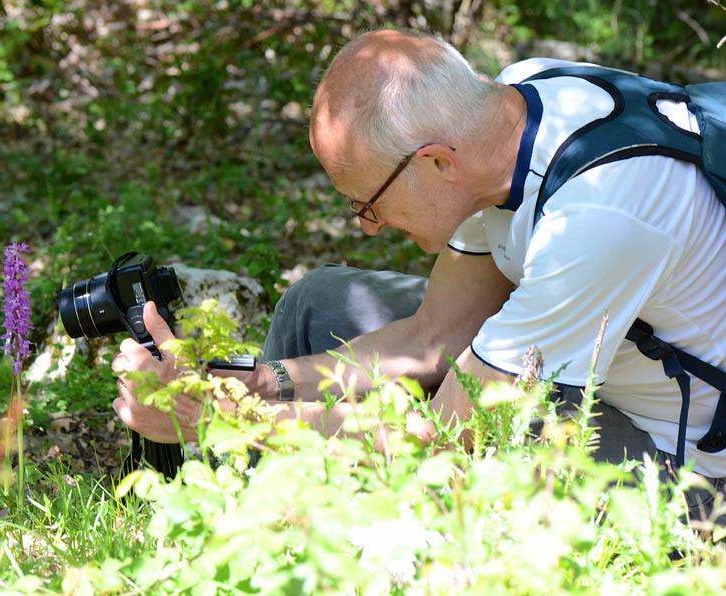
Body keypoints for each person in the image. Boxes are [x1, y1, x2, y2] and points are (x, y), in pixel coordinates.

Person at [112, 28, 726, 519]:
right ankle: (253, 510)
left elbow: (448, 437)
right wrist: (257, 385)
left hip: (689, 476)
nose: (369, 226)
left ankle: (277, 528)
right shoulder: (514, 98)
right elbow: (435, 335)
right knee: (319, 303)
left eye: (369, 202)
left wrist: (225, 423)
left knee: (486, 457)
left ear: (436, 162)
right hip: (590, 371)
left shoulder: (600, 217)